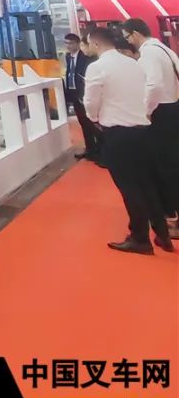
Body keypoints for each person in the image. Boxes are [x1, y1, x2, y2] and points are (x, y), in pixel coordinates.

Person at [84, 28, 173, 255]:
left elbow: (90, 102)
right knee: (147, 184)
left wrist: (94, 118)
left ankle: (140, 238)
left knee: (129, 187)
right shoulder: (133, 63)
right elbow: (151, 90)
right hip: (142, 130)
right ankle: (162, 233)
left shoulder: (97, 67)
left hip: (118, 133)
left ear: (95, 44)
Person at [121, 18, 179, 234]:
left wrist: (144, 111)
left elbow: (153, 85)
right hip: (172, 108)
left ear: (135, 34)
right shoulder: (164, 49)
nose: (128, 42)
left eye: (127, 37)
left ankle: (174, 217)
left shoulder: (149, 53)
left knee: (166, 167)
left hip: (161, 113)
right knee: (170, 164)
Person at [63, 33, 101, 162]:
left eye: (70, 43)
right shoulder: (68, 57)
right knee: (83, 123)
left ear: (77, 43)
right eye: (66, 43)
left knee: (91, 123)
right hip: (73, 94)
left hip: (84, 93)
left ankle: (99, 150)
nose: (68, 46)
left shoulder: (85, 57)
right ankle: (90, 149)